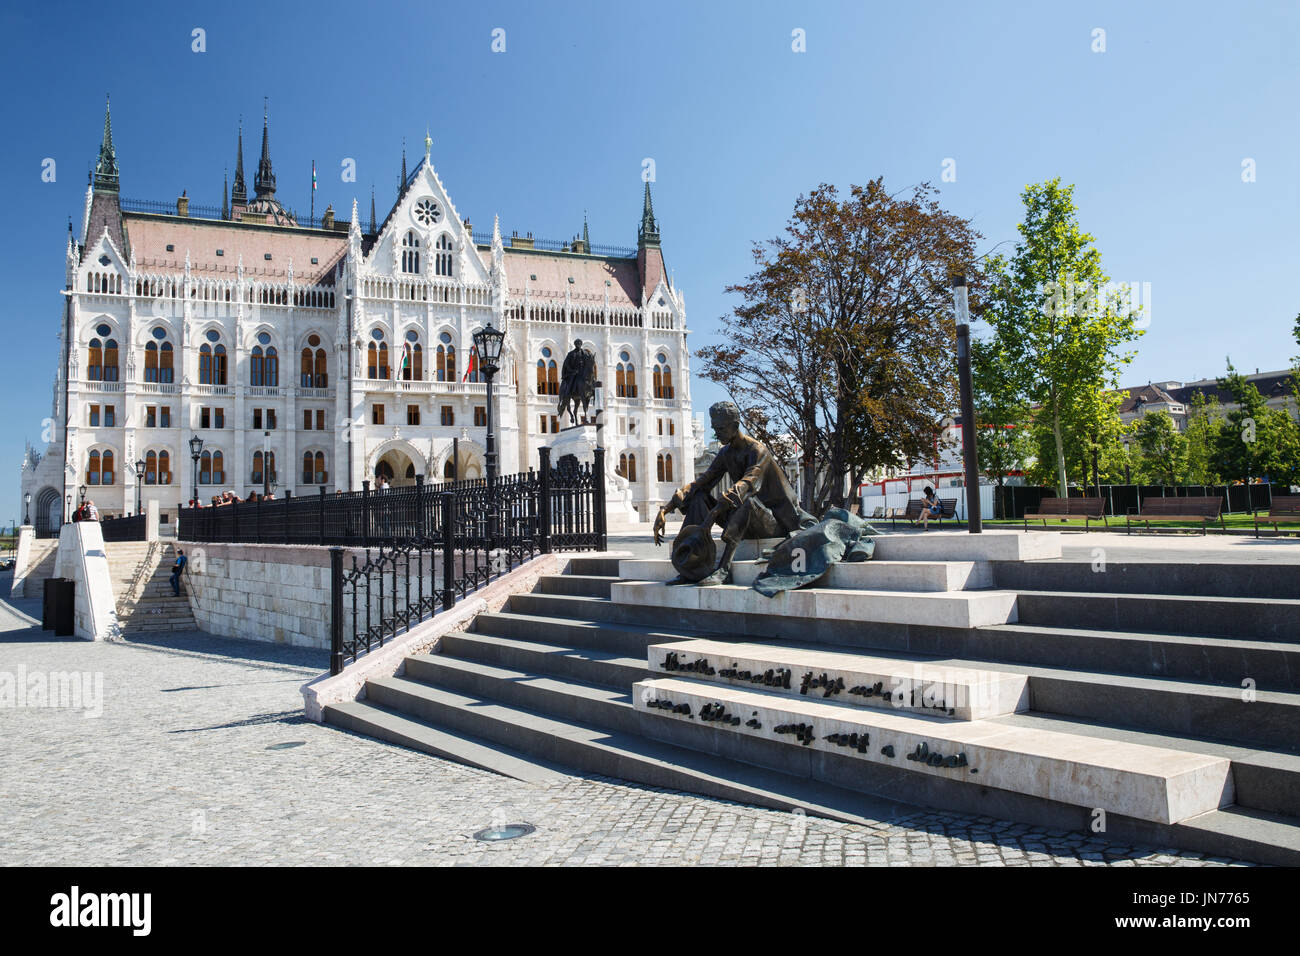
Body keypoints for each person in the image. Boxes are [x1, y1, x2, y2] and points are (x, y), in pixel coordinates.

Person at [653, 401, 815, 586]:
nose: (717, 433)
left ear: (735, 426)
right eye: (715, 428)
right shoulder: (725, 453)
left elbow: (747, 483)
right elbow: (702, 482)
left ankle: (724, 569)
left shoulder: (757, 450)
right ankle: (690, 565)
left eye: (721, 428)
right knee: (699, 497)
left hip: (774, 521)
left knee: (747, 501)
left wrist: (716, 512)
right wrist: (666, 509)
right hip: (745, 519)